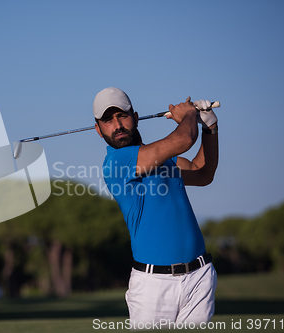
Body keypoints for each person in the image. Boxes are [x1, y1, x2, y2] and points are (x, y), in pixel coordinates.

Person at [93, 87, 219, 328]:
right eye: (108, 120)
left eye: (122, 116)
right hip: (153, 286)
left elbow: (203, 173)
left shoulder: (165, 160)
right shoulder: (116, 163)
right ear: (98, 130)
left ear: (136, 117)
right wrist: (190, 114)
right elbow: (183, 139)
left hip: (199, 276)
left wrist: (210, 128)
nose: (117, 125)